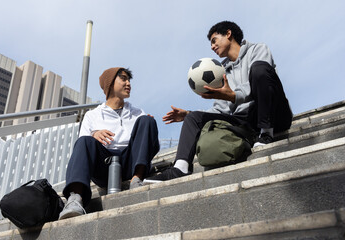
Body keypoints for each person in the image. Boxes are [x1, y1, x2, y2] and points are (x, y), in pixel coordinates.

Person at [144, 20, 292, 183]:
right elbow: (221, 110)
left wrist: (234, 95)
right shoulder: (220, 71)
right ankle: (180, 168)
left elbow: (262, 80)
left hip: (273, 113)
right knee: (194, 118)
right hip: (244, 121)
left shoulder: (258, 49)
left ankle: (266, 133)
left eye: (214, 40)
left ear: (228, 34)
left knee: (259, 69)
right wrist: (188, 114)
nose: (212, 47)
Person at [59, 67, 160, 220]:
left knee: (147, 121)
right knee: (85, 140)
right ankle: (75, 199)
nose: (128, 83)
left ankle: (137, 180)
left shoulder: (138, 112)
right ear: (110, 84)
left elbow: (151, 145)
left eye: (129, 80)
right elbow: (82, 147)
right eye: (123, 79)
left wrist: (147, 126)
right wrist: (94, 134)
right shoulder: (92, 115)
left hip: (130, 163)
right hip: (104, 166)